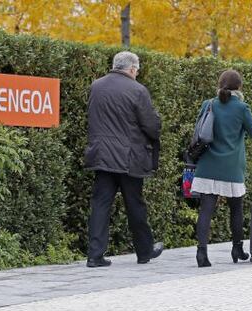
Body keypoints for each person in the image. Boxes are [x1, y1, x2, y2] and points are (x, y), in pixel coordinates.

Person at [84, 51, 163, 268]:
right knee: (135, 204)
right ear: (131, 69)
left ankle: (95, 255)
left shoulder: (96, 86)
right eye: (136, 70)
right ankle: (144, 251)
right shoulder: (137, 90)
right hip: (129, 158)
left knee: (100, 204)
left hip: (102, 155)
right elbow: (150, 126)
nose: (137, 74)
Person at [190, 69, 252, 267]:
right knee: (236, 210)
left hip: (207, 166)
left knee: (205, 210)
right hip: (231, 167)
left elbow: (198, 130)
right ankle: (237, 248)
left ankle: (202, 253)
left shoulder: (209, 104)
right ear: (239, 87)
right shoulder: (242, 107)